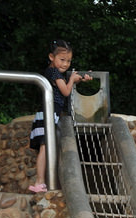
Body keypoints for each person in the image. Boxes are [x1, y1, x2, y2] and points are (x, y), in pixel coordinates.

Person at [29, 39, 91, 193]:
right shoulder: (53, 72)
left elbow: (65, 85)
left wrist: (81, 79)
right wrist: (72, 80)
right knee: (44, 148)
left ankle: (41, 181)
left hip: (50, 113)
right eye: (62, 60)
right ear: (51, 57)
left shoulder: (54, 72)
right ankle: (40, 181)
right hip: (47, 113)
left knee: (46, 147)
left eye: (68, 61)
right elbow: (66, 91)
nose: (65, 64)